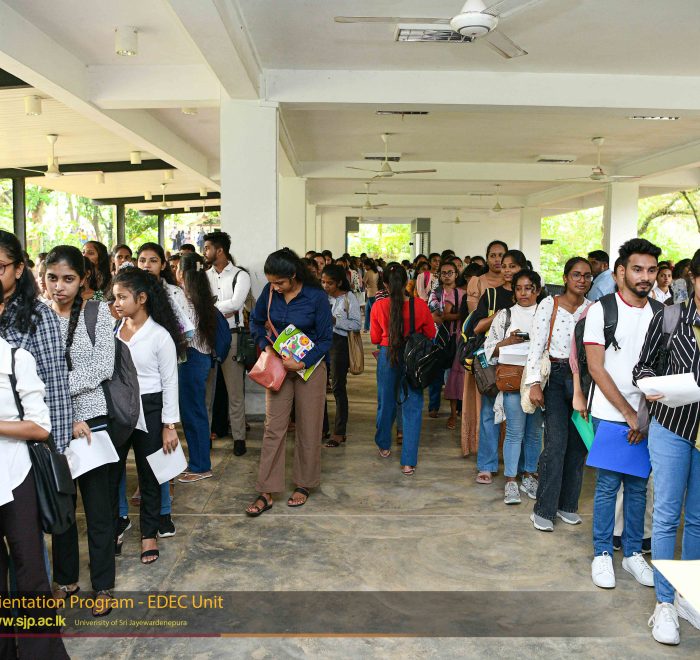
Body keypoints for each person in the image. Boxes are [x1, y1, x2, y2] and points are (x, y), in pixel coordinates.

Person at [44, 246, 118, 615]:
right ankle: (65, 580)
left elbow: (104, 366)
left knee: (98, 508)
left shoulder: (97, 311)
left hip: (93, 420)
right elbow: (33, 372)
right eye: (52, 278)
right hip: (51, 424)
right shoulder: (37, 316)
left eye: (68, 279)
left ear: (83, 279)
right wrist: (58, 401)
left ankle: (103, 585)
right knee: (62, 507)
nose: (59, 286)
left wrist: (57, 387)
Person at [584, 239, 661, 590]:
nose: (645, 276)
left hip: (647, 413)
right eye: (637, 269)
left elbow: (664, 368)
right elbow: (596, 368)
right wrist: (628, 412)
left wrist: (643, 416)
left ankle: (632, 553)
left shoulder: (662, 313)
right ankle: (602, 553)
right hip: (610, 411)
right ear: (620, 272)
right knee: (607, 485)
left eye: (651, 270)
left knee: (638, 486)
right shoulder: (601, 310)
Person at [634, 248, 700, 646]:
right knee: (666, 515)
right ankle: (664, 603)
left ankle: (688, 596)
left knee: (698, 520)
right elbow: (642, 367)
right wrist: (653, 387)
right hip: (673, 425)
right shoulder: (670, 317)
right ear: (693, 278)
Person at [0, 284, 69, 659]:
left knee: (29, 572)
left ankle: (40, 653)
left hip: (15, 476)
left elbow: (40, 427)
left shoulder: (16, 360)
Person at [245, 248, 332, 516]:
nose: (275, 287)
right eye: (271, 282)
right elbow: (255, 322)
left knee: (309, 426)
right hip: (278, 368)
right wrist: (266, 347)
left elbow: (326, 339)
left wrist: (303, 362)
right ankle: (266, 490)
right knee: (274, 427)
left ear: (293, 275)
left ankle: (304, 484)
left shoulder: (316, 297)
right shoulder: (270, 293)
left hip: (310, 369)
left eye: (280, 282)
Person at [111, 268, 185, 563]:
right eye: (114, 297)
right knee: (112, 473)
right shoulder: (113, 331)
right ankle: (114, 528)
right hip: (118, 409)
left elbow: (170, 382)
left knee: (150, 475)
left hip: (150, 408)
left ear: (141, 298)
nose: (116, 303)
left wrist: (169, 425)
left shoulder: (160, 336)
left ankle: (149, 535)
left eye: (122, 297)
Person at [526, 257, 593, 532]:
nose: (582, 280)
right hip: (554, 376)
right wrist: (533, 383)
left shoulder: (593, 309)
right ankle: (544, 509)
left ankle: (567, 505)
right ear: (565, 278)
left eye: (587, 275)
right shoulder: (549, 304)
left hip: (583, 381)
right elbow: (536, 345)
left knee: (578, 447)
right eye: (576, 274)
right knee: (555, 445)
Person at [0, 230, 72, 454]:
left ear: (18, 269)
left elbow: (55, 386)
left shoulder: (38, 316)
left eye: (0, 267)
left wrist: (57, 451)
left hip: (22, 445)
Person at [370, 262, 436, 475]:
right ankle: (408, 462)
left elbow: (374, 338)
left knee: (386, 402)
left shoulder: (379, 306)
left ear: (386, 285)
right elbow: (430, 333)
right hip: (413, 357)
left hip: (388, 355)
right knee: (413, 406)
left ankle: (384, 444)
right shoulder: (420, 305)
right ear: (407, 282)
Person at [484, 269, 543, 504]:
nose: (523, 293)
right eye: (519, 289)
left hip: (539, 381)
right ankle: (510, 480)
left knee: (534, 432)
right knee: (514, 432)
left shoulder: (545, 314)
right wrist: (508, 341)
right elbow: (489, 349)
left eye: (528, 288)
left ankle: (529, 475)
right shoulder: (505, 315)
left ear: (537, 290)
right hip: (512, 380)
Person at [472, 249, 528, 483]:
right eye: (504, 266)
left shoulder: (533, 295)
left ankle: (523, 466)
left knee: (524, 417)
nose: (506, 270)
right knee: (489, 414)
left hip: (524, 365)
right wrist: (501, 316)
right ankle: (487, 464)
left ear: (523, 268)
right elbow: (476, 327)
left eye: (512, 266)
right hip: (495, 363)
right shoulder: (492, 294)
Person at [203, 231, 251, 457]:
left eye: (207, 248)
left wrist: (210, 308)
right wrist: (220, 308)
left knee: (235, 392)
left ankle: (239, 438)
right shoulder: (205, 276)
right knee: (207, 392)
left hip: (232, 336)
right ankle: (205, 438)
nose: (204, 252)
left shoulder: (241, 275)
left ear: (220, 250)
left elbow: (237, 303)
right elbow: (199, 304)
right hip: (207, 337)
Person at [176, 253, 218, 483]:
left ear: (181, 273)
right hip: (201, 358)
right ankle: (198, 462)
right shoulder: (203, 298)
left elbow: (186, 335)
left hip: (191, 359)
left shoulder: (186, 301)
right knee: (196, 412)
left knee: (193, 414)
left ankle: (200, 466)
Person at [321, 264, 362, 447]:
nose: (325, 286)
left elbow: (356, 324)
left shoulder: (349, 298)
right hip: (321, 343)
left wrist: (335, 321)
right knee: (319, 387)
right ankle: (322, 428)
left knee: (338, 387)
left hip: (340, 344)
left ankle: (339, 431)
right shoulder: (322, 298)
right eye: (323, 282)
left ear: (338, 283)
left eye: (329, 283)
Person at [428, 260, 464, 427]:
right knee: (437, 372)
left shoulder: (463, 292)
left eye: (450, 272)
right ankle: (434, 406)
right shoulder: (436, 292)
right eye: (444, 273)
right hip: (439, 336)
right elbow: (436, 316)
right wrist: (453, 316)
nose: (447, 276)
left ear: (456, 274)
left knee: (456, 373)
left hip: (458, 338)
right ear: (439, 275)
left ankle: (457, 410)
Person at [362, 259, 380, 333]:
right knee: (367, 310)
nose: (364, 267)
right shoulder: (376, 272)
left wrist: (365, 286)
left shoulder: (368, 273)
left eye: (365, 265)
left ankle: (376, 327)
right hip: (376, 292)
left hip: (370, 293)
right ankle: (366, 327)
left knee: (373, 312)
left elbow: (363, 282)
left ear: (369, 265)